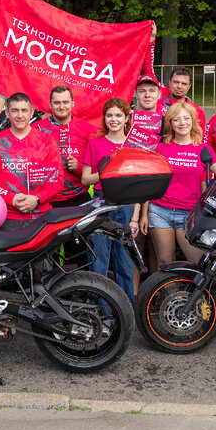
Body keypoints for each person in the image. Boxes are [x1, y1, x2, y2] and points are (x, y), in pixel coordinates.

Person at [140, 102, 216, 269]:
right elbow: (149, 183)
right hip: (160, 211)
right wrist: (143, 215)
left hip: (188, 214)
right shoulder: (160, 148)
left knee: (197, 264)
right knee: (165, 262)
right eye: (176, 119)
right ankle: (168, 288)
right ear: (170, 123)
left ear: (193, 121)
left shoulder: (203, 149)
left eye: (186, 118)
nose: (182, 123)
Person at [80, 98, 137, 302]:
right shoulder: (95, 144)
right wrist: (105, 171)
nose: (114, 119)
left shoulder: (133, 146)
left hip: (127, 205)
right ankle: (102, 313)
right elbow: (85, 179)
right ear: (104, 118)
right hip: (102, 204)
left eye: (118, 115)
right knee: (99, 263)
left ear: (126, 118)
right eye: (109, 115)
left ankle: (127, 312)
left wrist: (135, 218)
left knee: (125, 264)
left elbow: (139, 188)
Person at [0, 92, 61, 229]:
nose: (20, 115)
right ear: (7, 113)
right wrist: (11, 198)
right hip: (5, 216)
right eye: (15, 110)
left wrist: (37, 199)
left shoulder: (47, 140)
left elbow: (57, 181)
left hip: (40, 215)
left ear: (31, 113)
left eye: (24, 110)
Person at [32, 86, 96, 207]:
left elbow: (98, 170)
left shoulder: (89, 130)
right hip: (45, 199)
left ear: (72, 103)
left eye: (66, 102)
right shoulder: (36, 130)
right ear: (50, 104)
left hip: (78, 198)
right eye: (57, 103)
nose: (61, 107)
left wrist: (78, 167)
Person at [127, 74, 163, 150]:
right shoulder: (126, 121)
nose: (147, 95)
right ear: (136, 94)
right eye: (142, 91)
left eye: (152, 91)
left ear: (159, 94)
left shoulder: (167, 123)